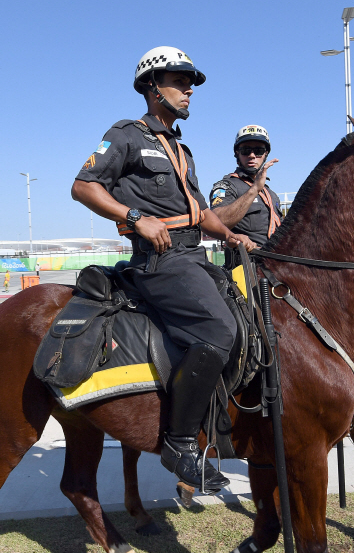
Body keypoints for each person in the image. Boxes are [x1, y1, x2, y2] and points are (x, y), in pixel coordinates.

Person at [71, 46, 255, 493]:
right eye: (179, 80)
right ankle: (179, 444)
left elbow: (197, 213)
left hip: (194, 255)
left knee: (253, 319)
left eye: (190, 81)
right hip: (160, 260)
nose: (189, 88)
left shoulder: (181, 149)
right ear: (153, 86)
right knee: (219, 329)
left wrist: (230, 236)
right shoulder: (125, 135)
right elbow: (82, 186)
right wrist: (134, 218)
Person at [209, 125, 282, 266]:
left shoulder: (272, 195)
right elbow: (217, 222)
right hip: (245, 267)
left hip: (277, 266)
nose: (252, 155)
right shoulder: (225, 186)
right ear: (237, 153)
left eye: (259, 151)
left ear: (266, 154)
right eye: (246, 150)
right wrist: (254, 189)